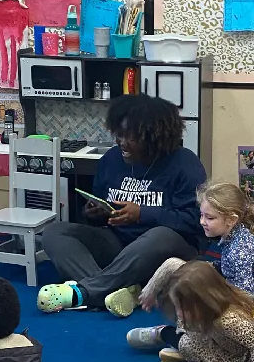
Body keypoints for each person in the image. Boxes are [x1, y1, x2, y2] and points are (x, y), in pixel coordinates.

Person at [38, 94, 206, 314]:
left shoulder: (185, 163)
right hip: (119, 242)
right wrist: (94, 213)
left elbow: (195, 221)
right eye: (119, 134)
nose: (122, 142)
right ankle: (116, 290)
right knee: (54, 232)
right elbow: (101, 208)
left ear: (154, 138)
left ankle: (88, 292)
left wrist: (142, 214)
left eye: (131, 137)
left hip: (167, 249)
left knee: (160, 236)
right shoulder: (111, 159)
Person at [126, 261, 254, 362]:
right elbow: (172, 264)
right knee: (187, 320)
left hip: (236, 355)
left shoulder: (228, 321)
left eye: (184, 308)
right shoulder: (210, 297)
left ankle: (165, 334)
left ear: (205, 302)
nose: (179, 312)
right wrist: (151, 290)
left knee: (187, 346)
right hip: (215, 333)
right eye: (178, 307)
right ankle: (182, 339)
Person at [135, 182, 254, 318]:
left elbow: (245, 298)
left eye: (209, 217)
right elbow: (228, 268)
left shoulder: (240, 250)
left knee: (187, 277)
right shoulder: (233, 237)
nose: (202, 221)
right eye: (201, 215)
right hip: (230, 289)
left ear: (231, 220)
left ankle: (182, 327)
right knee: (174, 266)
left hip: (241, 309)